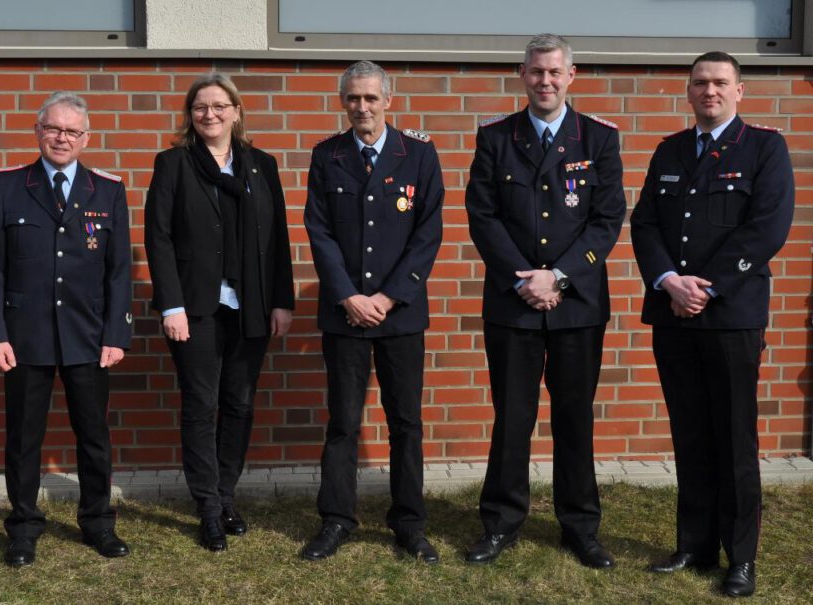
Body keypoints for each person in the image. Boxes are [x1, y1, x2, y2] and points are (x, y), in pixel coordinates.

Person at [630, 51, 793, 598]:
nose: (710, 91)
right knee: (690, 433)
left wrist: (707, 286)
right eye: (700, 83)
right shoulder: (670, 149)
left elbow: (767, 227)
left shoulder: (764, 148)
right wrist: (668, 281)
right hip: (672, 314)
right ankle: (694, 545)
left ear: (739, 91)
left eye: (721, 83)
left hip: (730, 317)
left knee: (734, 438)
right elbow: (645, 221)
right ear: (689, 91)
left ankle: (739, 557)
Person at [464, 33, 625, 569]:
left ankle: (580, 525)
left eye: (555, 72)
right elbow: (482, 216)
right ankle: (502, 522)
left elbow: (607, 220)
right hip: (513, 305)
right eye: (536, 72)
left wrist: (557, 277)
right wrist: (523, 280)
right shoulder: (495, 137)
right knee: (512, 416)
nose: (545, 81)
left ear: (571, 76)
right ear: (521, 75)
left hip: (577, 303)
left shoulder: (598, 139)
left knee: (575, 417)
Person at [0, 92, 132, 567]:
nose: (62, 138)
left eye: (72, 131)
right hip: (24, 338)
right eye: (53, 128)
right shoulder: (6, 186)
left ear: (86, 138)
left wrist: (116, 335)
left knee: (93, 436)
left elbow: (119, 270)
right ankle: (23, 528)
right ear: (37, 131)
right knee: (24, 438)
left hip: (87, 336)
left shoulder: (107, 189)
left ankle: (98, 523)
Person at [301, 60, 444, 564]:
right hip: (345, 314)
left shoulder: (420, 155)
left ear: (389, 100)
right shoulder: (327, 156)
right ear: (343, 103)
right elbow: (318, 229)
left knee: (405, 423)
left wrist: (387, 297)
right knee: (342, 423)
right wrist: (347, 295)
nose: (361, 107)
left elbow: (428, 234)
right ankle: (336, 520)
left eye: (370, 98)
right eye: (352, 99)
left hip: (400, 315)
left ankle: (409, 524)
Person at [144, 73, 295, 552]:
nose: (209, 114)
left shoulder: (260, 165)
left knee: (240, 404)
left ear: (236, 111)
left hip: (250, 306)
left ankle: (226, 495)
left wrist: (281, 300)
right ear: (190, 116)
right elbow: (159, 237)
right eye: (200, 107)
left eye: (218, 105)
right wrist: (171, 304)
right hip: (195, 307)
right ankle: (207, 506)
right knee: (201, 405)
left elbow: (278, 240)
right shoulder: (173, 164)